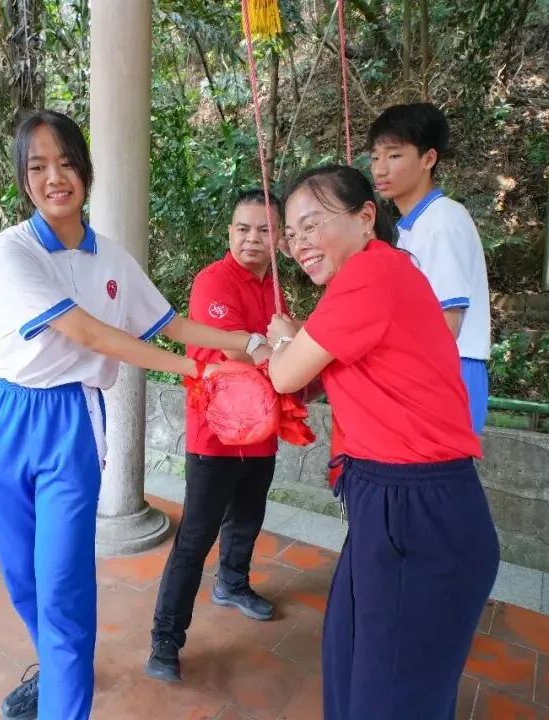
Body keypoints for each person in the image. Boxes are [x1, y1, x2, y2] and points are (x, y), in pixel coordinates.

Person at [0, 109, 259, 720]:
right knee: (26, 582)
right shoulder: (11, 248)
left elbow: (168, 322)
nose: (55, 178)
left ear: (86, 171)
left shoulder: (114, 259)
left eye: (67, 163)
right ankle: (53, 673)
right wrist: (197, 370)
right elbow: (87, 332)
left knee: (64, 588)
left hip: (71, 423)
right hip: (3, 420)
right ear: (24, 178)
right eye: (39, 166)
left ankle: (63, 702)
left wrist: (248, 343)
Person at [264, 164, 500, 719]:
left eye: (312, 225)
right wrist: (292, 343)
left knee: (388, 693)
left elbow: (285, 374)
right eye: (291, 234)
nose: (299, 244)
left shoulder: (371, 276)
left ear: (366, 217)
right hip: (391, 500)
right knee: (352, 663)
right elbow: (330, 363)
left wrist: (279, 340)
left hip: (415, 507)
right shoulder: (381, 276)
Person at [145, 188, 288, 683]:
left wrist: (285, 347)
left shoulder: (278, 286)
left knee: (248, 518)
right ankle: (166, 637)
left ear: (279, 239)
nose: (252, 239)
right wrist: (284, 347)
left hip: (263, 430)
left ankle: (232, 583)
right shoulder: (213, 281)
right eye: (243, 228)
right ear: (229, 232)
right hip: (216, 434)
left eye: (264, 230)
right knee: (195, 537)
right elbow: (236, 357)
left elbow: (282, 349)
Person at [369, 103, 492, 433]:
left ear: (428, 159)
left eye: (394, 156)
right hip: (429, 370)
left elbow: (445, 325)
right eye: (375, 157)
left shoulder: (442, 222)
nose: (380, 169)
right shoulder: (411, 227)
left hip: (447, 371)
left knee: (438, 481)